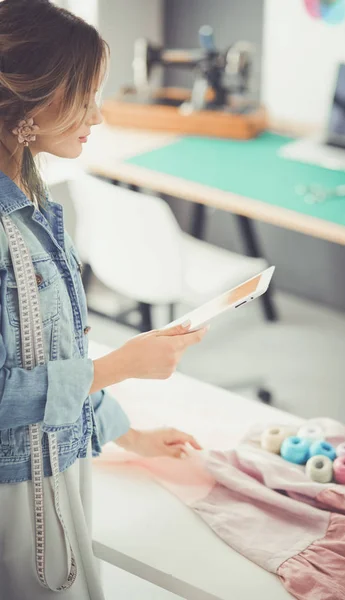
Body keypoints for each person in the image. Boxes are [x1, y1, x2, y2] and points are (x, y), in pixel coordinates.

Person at [0, 1, 209, 598]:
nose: (99, 112)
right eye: (85, 94)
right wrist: (123, 366)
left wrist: (129, 434)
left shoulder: (32, 204)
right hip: (15, 496)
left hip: (50, 472)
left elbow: (51, 355)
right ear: (28, 101)